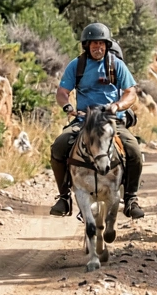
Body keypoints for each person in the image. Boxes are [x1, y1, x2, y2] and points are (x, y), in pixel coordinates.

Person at [49, 23, 145, 219]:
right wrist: (68, 107)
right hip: (84, 119)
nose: (98, 47)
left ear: (107, 45)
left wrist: (118, 106)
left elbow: (131, 92)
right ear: (86, 45)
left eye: (101, 43)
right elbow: (62, 92)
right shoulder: (77, 65)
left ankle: (130, 198)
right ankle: (64, 197)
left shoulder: (116, 65)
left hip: (112, 120)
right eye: (94, 43)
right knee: (59, 146)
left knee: (133, 150)